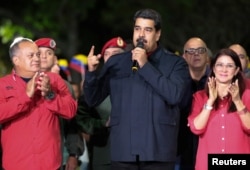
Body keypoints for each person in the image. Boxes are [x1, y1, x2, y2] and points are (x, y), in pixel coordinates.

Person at [83, 8, 191, 170]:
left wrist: (145, 65)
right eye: (137, 29)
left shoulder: (175, 63)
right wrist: (91, 72)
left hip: (157, 149)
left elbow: (174, 95)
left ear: (158, 34)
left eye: (147, 30)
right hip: (124, 149)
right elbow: (93, 98)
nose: (141, 35)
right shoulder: (116, 62)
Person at [0, 37, 77, 170]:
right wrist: (25, 96)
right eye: (31, 55)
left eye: (37, 54)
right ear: (16, 60)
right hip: (16, 164)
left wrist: (49, 94)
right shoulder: (3, 84)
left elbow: (71, 111)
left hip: (49, 164)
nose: (37, 58)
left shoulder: (54, 80)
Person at [188, 48, 250, 170]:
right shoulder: (200, 97)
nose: (224, 69)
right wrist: (210, 101)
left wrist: (237, 101)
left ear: (237, 70)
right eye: (220, 65)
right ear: (213, 68)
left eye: (229, 66)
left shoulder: (247, 96)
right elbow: (196, 128)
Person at [76, 36, 127, 170]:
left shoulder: (137, 82)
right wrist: (103, 123)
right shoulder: (94, 85)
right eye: (107, 54)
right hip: (103, 156)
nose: (110, 58)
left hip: (131, 156)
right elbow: (81, 118)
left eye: (116, 54)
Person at [34, 37, 84, 170]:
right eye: (40, 53)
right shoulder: (24, 82)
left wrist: (73, 154)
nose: (44, 56)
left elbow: (72, 123)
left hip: (57, 155)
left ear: (54, 59)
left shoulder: (65, 86)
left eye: (49, 53)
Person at [176, 37, 211, 170]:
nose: (196, 54)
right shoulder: (176, 81)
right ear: (184, 56)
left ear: (207, 56)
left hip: (208, 144)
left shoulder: (218, 80)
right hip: (180, 147)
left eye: (200, 50)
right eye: (191, 51)